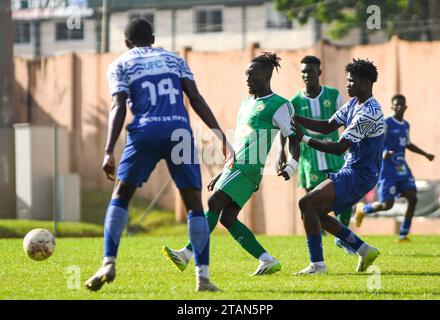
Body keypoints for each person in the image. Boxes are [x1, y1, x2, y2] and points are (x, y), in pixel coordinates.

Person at [84, 18, 234, 292]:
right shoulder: (174, 60)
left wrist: (108, 150)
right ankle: (203, 277)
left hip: (145, 132)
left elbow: (118, 105)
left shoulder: (120, 64)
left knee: (121, 196)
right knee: (194, 205)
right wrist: (221, 136)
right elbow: (196, 98)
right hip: (179, 131)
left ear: (126, 43)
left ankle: (108, 261)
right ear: (153, 38)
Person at [162, 52, 300, 276]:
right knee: (227, 217)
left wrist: (291, 163)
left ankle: (187, 253)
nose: (247, 77)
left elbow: (293, 137)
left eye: (252, 74)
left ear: (266, 76)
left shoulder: (279, 104)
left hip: (250, 167)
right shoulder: (246, 103)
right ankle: (266, 259)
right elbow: (241, 141)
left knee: (213, 202)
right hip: (237, 166)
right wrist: (224, 170)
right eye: (246, 73)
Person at [291, 58, 385, 275]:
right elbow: (327, 126)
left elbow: (338, 148)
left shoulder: (369, 112)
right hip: (351, 170)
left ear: (366, 82)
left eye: (352, 81)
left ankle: (317, 265)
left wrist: (303, 138)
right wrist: (295, 118)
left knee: (307, 203)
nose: (347, 85)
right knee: (315, 211)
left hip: (360, 174)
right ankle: (363, 249)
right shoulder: (354, 103)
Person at [278, 55, 356, 255]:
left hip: (333, 153)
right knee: (312, 203)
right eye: (303, 71)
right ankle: (319, 246)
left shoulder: (333, 95)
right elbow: (286, 128)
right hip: (309, 157)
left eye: (310, 71)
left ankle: (343, 237)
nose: (306, 75)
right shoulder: (293, 101)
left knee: (346, 198)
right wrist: (283, 152)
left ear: (318, 72)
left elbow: (347, 122)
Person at [355, 94, 435, 242]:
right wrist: (383, 152)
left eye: (401, 104)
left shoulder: (406, 125)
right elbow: (375, 141)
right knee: (387, 205)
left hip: (401, 168)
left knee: (412, 197)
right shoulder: (386, 123)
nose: (399, 107)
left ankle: (403, 234)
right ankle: (363, 209)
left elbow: (407, 144)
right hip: (387, 170)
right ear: (392, 107)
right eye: (396, 104)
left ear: (405, 107)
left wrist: (425, 154)